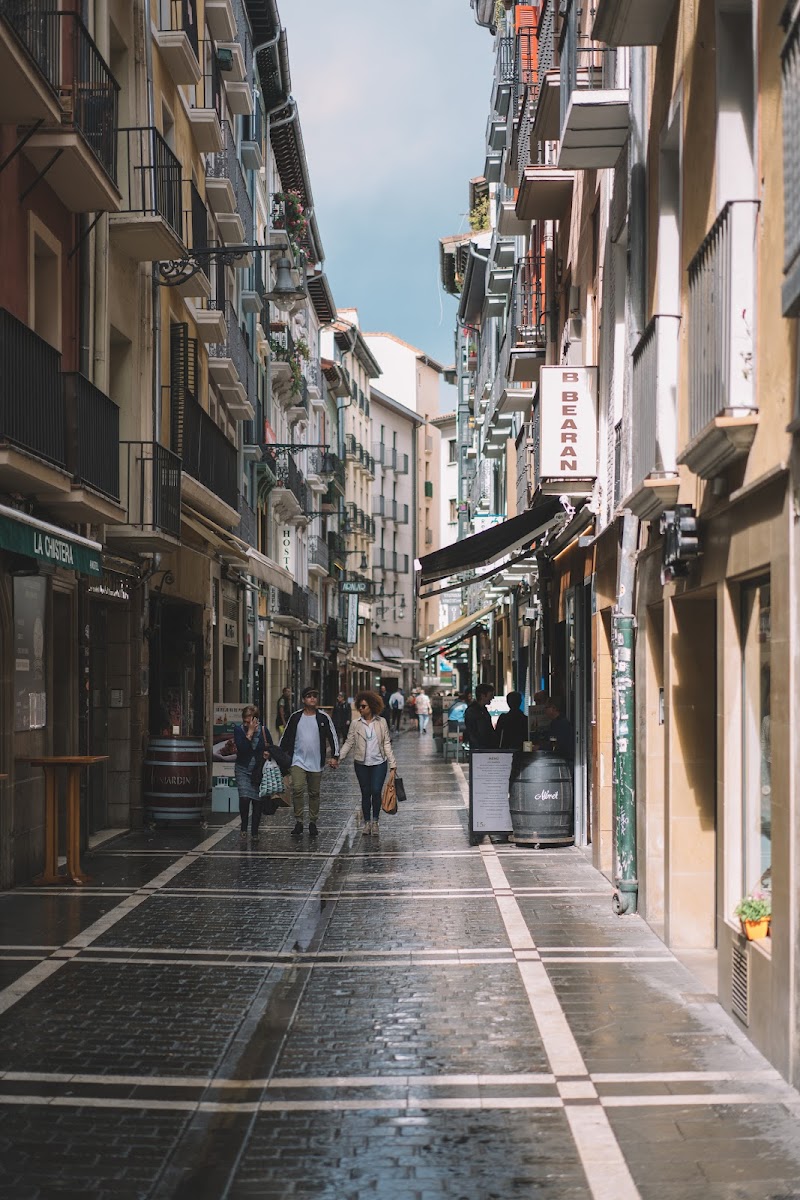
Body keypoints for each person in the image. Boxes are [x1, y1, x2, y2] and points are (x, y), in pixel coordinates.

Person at [280, 686, 339, 839]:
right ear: (303, 700)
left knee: (314, 793)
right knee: (298, 788)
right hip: (297, 760)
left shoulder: (323, 718)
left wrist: (335, 755)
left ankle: (313, 822)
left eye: (314, 696)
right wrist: (279, 755)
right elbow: (286, 737)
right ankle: (299, 820)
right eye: (309, 696)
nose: (312, 698)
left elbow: (333, 736)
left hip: (316, 762)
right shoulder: (295, 717)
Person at [336, 690, 396, 836]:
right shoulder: (356, 724)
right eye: (360, 706)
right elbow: (349, 742)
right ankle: (367, 823)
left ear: (372, 706)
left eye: (364, 706)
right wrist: (339, 757)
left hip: (379, 762)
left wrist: (392, 763)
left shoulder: (381, 722)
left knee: (376, 791)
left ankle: (375, 822)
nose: (361, 709)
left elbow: (386, 743)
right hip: (361, 763)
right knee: (365, 792)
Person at [233, 705, 274, 841]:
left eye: (249, 721)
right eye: (244, 721)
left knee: (257, 802)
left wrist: (268, 753)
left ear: (255, 720)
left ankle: (255, 831)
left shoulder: (264, 731)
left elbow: (271, 747)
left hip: (258, 771)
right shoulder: (239, 730)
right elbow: (242, 749)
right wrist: (249, 733)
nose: (246, 724)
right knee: (244, 798)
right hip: (242, 769)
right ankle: (244, 827)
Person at [464, 683, 499, 750]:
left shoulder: (484, 710)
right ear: (483, 696)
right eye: (491, 695)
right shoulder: (472, 711)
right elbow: (471, 732)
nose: (492, 698)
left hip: (486, 746)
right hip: (479, 748)